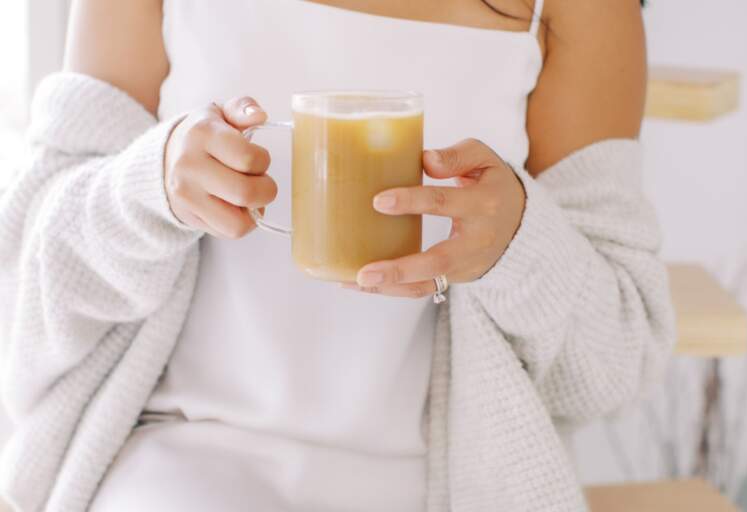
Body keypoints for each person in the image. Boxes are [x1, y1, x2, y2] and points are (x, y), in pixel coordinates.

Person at [0, 0, 674, 510]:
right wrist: (150, 186)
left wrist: (520, 244)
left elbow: (614, 364)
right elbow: (29, 296)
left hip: (441, 485)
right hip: (176, 462)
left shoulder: (580, 12)